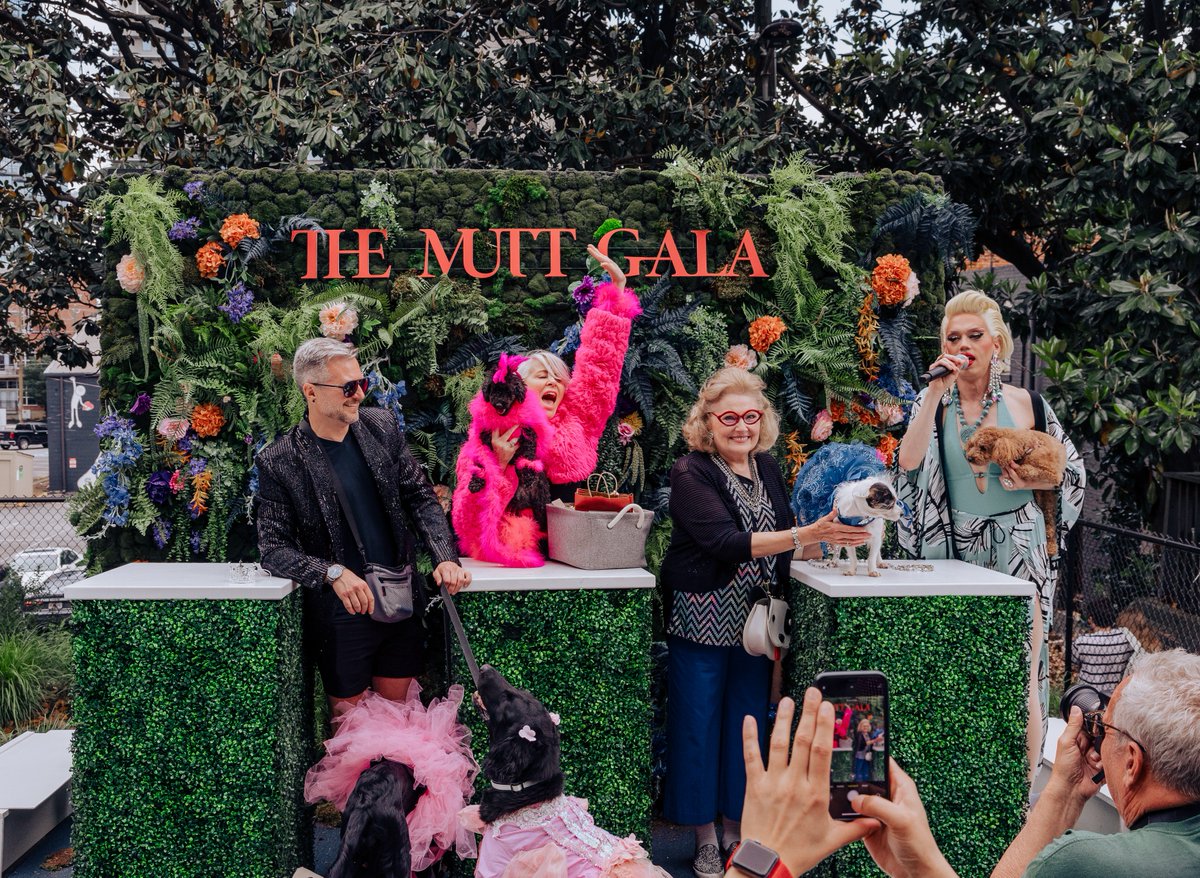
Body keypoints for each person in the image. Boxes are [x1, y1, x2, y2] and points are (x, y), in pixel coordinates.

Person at [659, 367, 870, 878]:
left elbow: (787, 542)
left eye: (751, 416)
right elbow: (725, 543)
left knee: (747, 724)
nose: (741, 427)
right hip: (702, 618)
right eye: (728, 417)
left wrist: (839, 538)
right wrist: (805, 534)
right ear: (708, 422)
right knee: (697, 728)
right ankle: (704, 837)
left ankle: (737, 828)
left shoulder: (768, 468)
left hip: (756, 622)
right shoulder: (692, 472)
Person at [730, 650, 1200, 878]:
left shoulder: (1089, 866)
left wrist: (762, 857)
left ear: (1132, 762)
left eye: (1108, 726)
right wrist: (1064, 789)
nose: (1100, 732)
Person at [896, 289, 1085, 780]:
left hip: (1020, 548)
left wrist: (1038, 480)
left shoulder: (1028, 405)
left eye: (975, 335)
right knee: (956, 669)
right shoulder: (933, 403)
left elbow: (1070, 474)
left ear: (997, 344)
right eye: (954, 336)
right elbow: (908, 465)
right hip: (952, 548)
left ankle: (1017, 796)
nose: (965, 344)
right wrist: (935, 391)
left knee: (1022, 674)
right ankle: (959, 782)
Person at [256, 337, 471, 713]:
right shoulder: (281, 459)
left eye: (363, 384)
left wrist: (444, 556)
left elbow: (420, 497)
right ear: (310, 391)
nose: (358, 395)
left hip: (400, 596)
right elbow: (273, 548)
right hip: (343, 613)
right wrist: (331, 573)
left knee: (400, 719)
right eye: (348, 387)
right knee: (350, 736)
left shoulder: (382, 426)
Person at [451, 244, 641, 561]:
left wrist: (615, 296)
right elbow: (466, 517)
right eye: (542, 375)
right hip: (510, 565)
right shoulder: (493, 432)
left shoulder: (579, 422)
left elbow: (599, 367)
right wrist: (497, 463)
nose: (553, 381)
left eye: (558, 378)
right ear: (520, 388)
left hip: (577, 559)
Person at [1072, 594, 1144, 696]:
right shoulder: (1125, 639)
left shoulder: (1082, 641)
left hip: (1086, 695)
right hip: (1112, 695)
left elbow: (1071, 660)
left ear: (1090, 619)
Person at [852, 718, 874, 782]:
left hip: (867, 756)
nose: (866, 727)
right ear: (861, 727)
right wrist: (875, 740)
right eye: (864, 726)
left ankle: (866, 784)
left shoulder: (869, 734)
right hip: (860, 756)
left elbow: (870, 744)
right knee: (858, 772)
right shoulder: (858, 734)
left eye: (867, 726)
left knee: (866, 772)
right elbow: (863, 744)